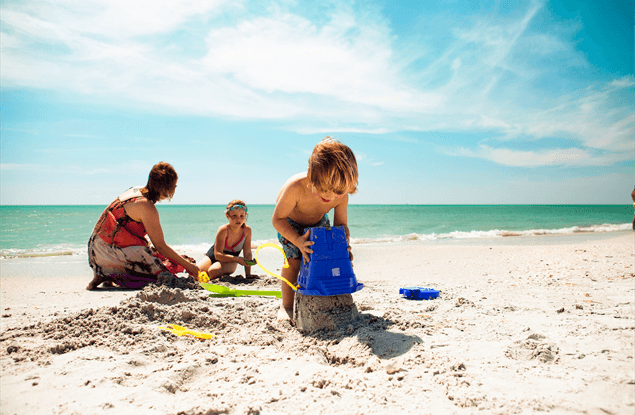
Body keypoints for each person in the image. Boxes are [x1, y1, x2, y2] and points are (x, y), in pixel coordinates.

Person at [272, 137, 358, 321]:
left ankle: (324, 294)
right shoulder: (295, 187)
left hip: (318, 223)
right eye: (324, 189)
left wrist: (343, 246)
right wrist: (297, 240)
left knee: (326, 259)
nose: (330, 196)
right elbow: (277, 219)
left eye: (338, 192)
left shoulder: (339, 193)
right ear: (312, 176)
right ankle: (286, 306)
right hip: (290, 224)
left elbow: (341, 225)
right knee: (294, 260)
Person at [87, 162, 200, 290]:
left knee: (162, 258)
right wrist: (190, 268)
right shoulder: (147, 207)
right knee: (164, 273)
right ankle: (111, 272)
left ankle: (102, 274)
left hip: (95, 250)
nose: (175, 187)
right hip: (109, 253)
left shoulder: (136, 190)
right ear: (166, 187)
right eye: (174, 185)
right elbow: (161, 246)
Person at [197, 200, 255, 279]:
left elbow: (247, 253)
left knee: (213, 271)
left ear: (245, 216)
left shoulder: (247, 231)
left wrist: (248, 275)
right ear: (227, 216)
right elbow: (217, 255)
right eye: (234, 216)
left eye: (242, 216)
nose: (238, 219)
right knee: (195, 273)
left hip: (232, 260)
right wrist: (238, 259)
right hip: (215, 256)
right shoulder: (223, 230)